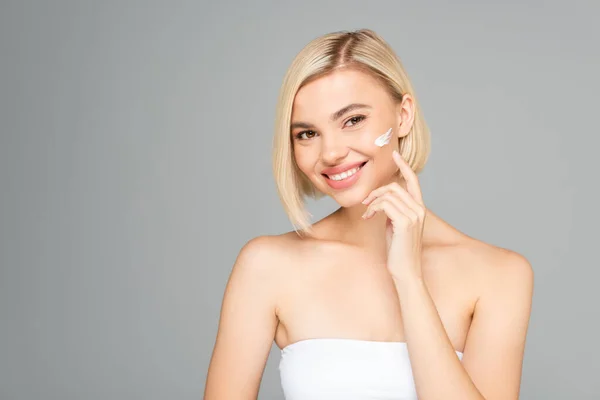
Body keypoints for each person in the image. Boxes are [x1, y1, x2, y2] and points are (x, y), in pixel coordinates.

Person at [203, 29, 534, 400]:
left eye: (352, 120)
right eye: (308, 133)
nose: (330, 152)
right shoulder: (266, 265)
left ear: (404, 115)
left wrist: (409, 279)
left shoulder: (499, 274)